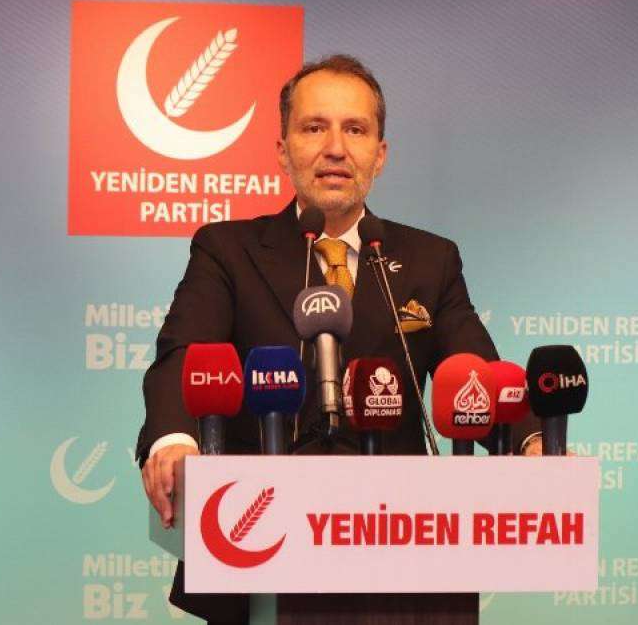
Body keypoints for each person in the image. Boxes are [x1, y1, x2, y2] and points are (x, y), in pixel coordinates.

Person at [137, 55, 541, 624]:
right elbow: (183, 354)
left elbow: (480, 370)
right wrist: (174, 440)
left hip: (401, 556)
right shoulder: (227, 250)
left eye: (355, 129)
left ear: (380, 154)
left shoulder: (429, 259)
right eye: (313, 128)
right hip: (260, 547)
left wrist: (532, 443)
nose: (335, 148)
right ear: (283, 150)